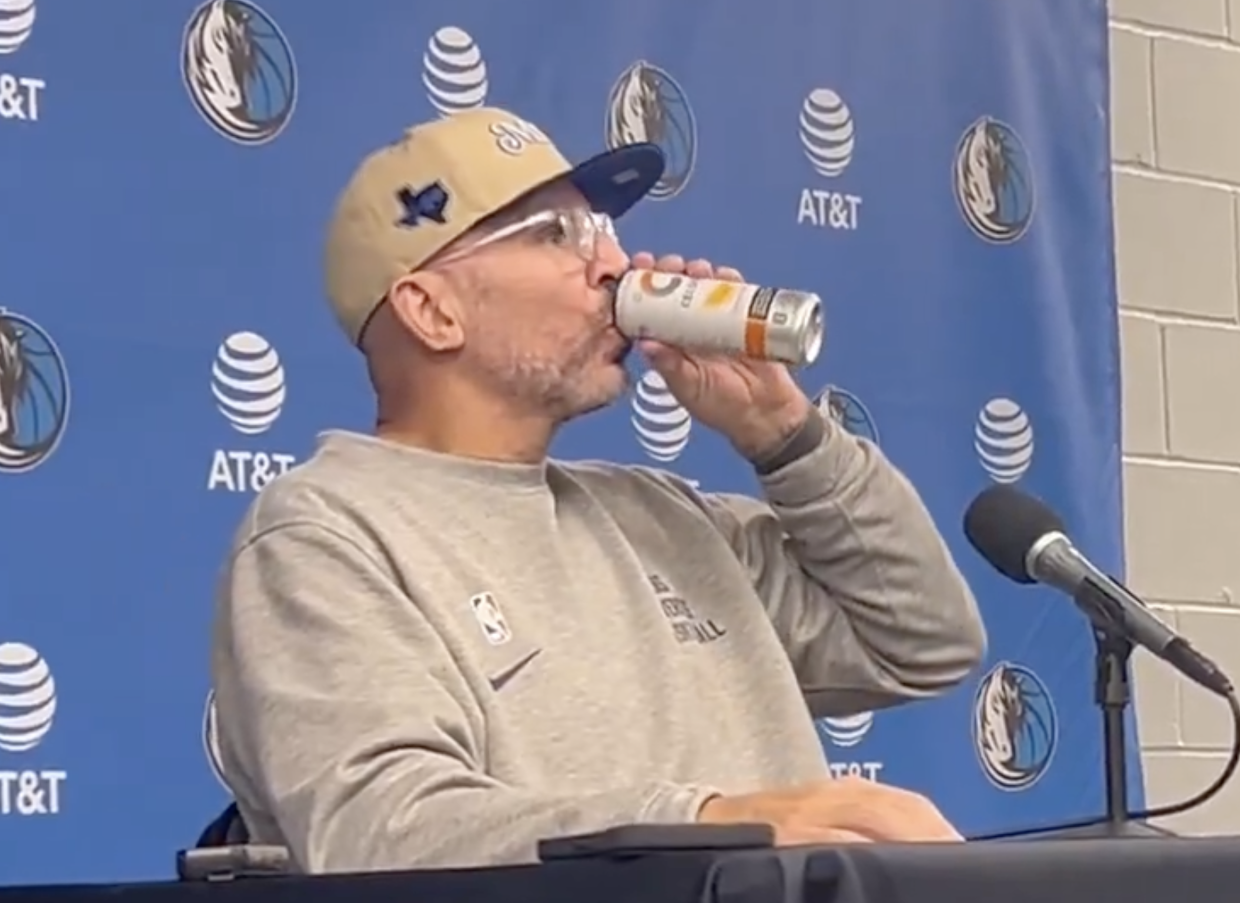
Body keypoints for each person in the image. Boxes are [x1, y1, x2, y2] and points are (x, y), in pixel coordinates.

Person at [209, 106, 988, 874]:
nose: (615, 264)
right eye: (556, 234)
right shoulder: (327, 535)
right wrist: (713, 825)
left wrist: (782, 432)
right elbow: (383, 834)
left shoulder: (663, 512)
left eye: (603, 231)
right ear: (432, 310)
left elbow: (923, 644)